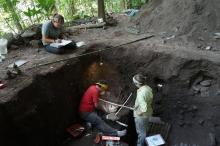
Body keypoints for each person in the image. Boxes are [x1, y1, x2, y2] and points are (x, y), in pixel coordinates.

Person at [132, 74, 153, 146]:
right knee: (145, 127)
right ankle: (146, 132)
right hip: (148, 113)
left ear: (137, 83)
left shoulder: (141, 93)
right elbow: (146, 100)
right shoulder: (148, 88)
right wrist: (136, 105)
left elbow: (144, 108)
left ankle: (140, 144)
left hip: (141, 116)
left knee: (141, 133)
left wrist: (138, 112)